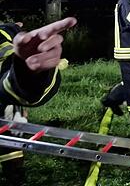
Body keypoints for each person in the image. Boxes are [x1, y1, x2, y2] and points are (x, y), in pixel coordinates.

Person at [0, 17, 78, 184]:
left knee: (11, 156)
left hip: (6, 119)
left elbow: (8, 82)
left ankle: (14, 175)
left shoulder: (5, 34)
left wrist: (27, 72)